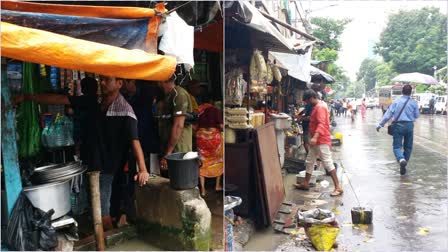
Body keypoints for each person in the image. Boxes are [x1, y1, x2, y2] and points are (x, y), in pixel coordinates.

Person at [14, 76, 150, 230]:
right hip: (89, 164)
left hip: (107, 170)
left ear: (119, 84)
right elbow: (61, 99)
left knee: (103, 212)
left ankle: (107, 241)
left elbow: (135, 141)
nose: (102, 82)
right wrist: (28, 97)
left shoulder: (126, 112)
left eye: (107, 80)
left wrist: (143, 169)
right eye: (102, 80)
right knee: (92, 209)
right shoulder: (94, 101)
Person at [295, 90, 343, 196]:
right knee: (309, 161)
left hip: (321, 140)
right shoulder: (318, 106)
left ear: (311, 98)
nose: (307, 104)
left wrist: (315, 137)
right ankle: (306, 183)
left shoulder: (320, 107)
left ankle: (338, 187)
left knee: (328, 163)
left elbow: (321, 124)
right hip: (316, 140)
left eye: (307, 101)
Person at [376, 84, 419, 175]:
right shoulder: (413, 103)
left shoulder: (396, 101)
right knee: (408, 146)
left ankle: (401, 159)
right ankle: (404, 162)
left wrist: (380, 125)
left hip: (398, 125)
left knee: (397, 146)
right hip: (409, 126)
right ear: (410, 93)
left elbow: (388, 114)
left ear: (402, 91)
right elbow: (416, 115)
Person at [157, 75, 193, 172]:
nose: (157, 83)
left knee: (180, 180)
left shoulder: (179, 95)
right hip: (170, 148)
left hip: (178, 149)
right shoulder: (168, 96)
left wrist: (168, 152)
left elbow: (178, 126)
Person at [195, 98, 223, 197]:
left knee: (202, 162)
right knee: (219, 160)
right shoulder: (215, 111)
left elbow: (195, 126)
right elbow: (221, 126)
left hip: (201, 136)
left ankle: (202, 189)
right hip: (213, 137)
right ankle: (217, 185)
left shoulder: (199, 110)